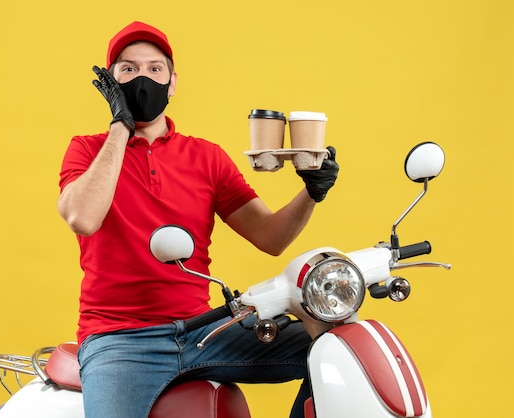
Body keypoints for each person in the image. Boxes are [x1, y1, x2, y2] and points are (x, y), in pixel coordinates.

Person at [58, 21, 339, 418]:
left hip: (206, 331)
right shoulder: (87, 150)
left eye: (155, 69)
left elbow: (270, 236)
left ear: (172, 82)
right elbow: (82, 218)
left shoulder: (207, 158)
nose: (143, 78)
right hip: (120, 340)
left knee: (336, 348)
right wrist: (120, 125)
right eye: (128, 69)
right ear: (111, 82)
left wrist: (312, 192)